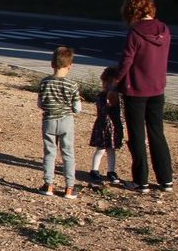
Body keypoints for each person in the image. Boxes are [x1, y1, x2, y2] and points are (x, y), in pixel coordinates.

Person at [114, 0, 173, 193]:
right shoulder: (164, 29)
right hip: (157, 88)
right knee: (157, 133)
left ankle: (141, 180)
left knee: (137, 136)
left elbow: (126, 61)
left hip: (136, 89)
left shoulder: (135, 33)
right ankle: (166, 179)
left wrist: (115, 83)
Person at [37, 46, 83, 199]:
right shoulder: (72, 85)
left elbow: (40, 103)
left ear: (52, 64)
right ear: (70, 66)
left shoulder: (45, 82)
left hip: (49, 120)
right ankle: (69, 187)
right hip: (66, 121)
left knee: (50, 153)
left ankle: (48, 184)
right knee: (68, 154)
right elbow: (77, 108)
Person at [88, 66, 124, 186]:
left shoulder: (118, 97)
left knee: (111, 150)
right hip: (104, 126)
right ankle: (94, 169)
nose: (105, 85)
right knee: (101, 149)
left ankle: (111, 171)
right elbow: (102, 110)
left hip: (112, 127)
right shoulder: (102, 96)